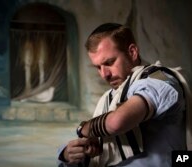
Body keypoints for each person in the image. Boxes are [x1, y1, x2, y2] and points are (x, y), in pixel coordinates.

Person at [57, 23, 191, 167]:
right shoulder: (108, 98)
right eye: (98, 67)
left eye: (109, 62)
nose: (104, 74)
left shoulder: (160, 80)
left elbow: (116, 122)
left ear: (132, 52)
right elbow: (95, 154)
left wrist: (84, 128)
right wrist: (67, 154)